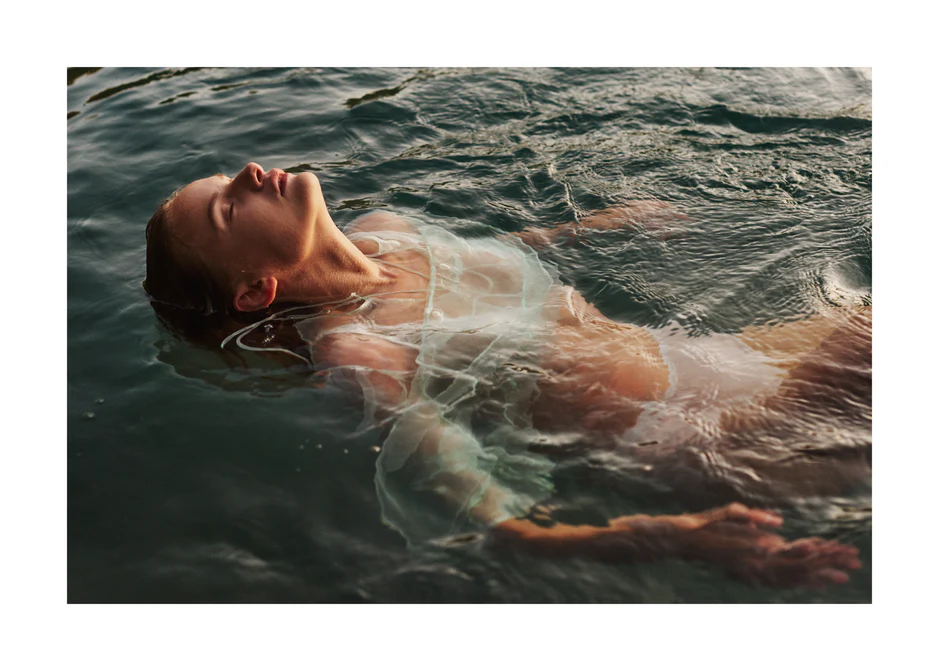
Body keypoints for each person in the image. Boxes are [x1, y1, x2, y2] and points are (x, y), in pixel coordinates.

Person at [145, 162, 868, 588]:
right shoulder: (362, 351)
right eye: (227, 207)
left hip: (716, 353)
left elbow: (483, 254)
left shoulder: (385, 231)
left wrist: (600, 225)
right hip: (715, 438)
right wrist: (658, 535)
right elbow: (480, 515)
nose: (247, 173)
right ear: (253, 292)